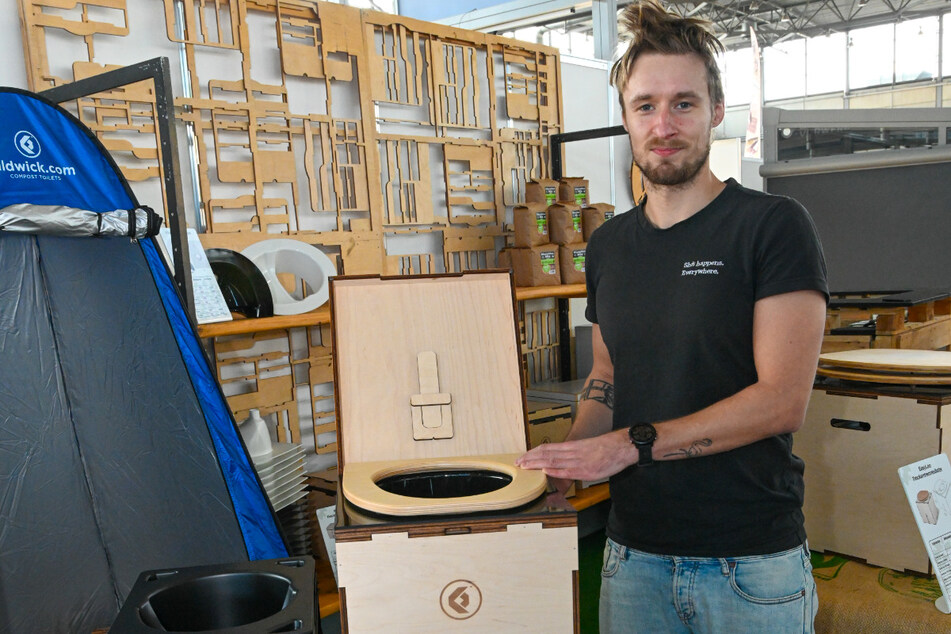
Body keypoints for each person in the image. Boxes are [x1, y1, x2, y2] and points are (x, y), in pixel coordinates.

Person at [515, 1, 829, 632]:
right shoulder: (607, 245)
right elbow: (607, 375)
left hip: (749, 561)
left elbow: (780, 402)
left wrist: (628, 448)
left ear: (716, 111)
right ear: (626, 119)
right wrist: (571, 459)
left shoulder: (770, 226)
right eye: (645, 106)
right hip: (634, 557)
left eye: (683, 103)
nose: (664, 124)